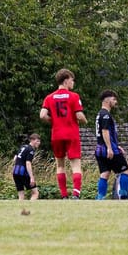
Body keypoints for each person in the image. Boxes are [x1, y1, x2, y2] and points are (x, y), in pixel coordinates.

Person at [38, 69, 88, 199]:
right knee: (75, 164)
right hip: (71, 133)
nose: (73, 82)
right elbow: (79, 115)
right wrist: (84, 120)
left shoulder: (49, 97)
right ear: (66, 80)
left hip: (57, 134)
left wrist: (53, 120)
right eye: (72, 80)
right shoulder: (74, 96)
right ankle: (76, 194)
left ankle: (64, 195)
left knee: (60, 165)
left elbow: (42, 115)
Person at [93, 92, 128, 200]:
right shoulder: (106, 115)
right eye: (114, 99)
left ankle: (100, 197)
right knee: (125, 170)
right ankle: (123, 196)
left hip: (99, 149)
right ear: (107, 100)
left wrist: (116, 145)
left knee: (105, 173)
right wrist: (110, 148)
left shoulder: (100, 113)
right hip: (107, 149)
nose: (115, 102)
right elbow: (104, 131)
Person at [12, 133, 40, 201]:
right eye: (37, 141)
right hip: (23, 172)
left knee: (21, 194)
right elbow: (28, 163)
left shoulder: (23, 146)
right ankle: (30, 208)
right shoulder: (31, 150)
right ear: (32, 140)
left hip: (15, 171)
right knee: (35, 193)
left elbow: (15, 158)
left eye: (39, 141)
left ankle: (20, 210)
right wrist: (31, 177)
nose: (39, 143)